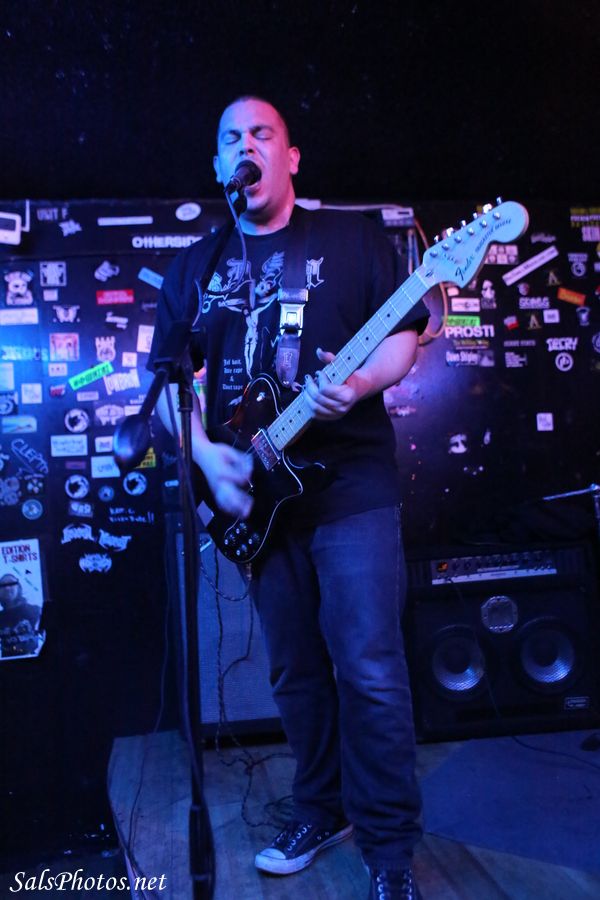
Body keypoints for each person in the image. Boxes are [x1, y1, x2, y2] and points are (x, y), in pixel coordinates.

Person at [149, 96, 429, 900]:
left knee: (369, 668)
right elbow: (167, 385)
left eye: (262, 134)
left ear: (291, 156)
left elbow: (406, 332)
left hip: (351, 487)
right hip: (255, 495)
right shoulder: (196, 266)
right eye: (231, 138)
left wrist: (361, 382)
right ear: (218, 166)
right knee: (295, 673)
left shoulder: (352, 239)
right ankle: (321, 809)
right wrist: (208, 457)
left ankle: (390, 851)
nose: (247, 146)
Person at [0, 573, 41, 657]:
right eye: (2, 585)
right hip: (7, 663)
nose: (7, 588)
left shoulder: (36, 611)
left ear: (18, 588)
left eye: (11, 583)